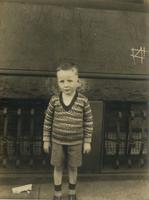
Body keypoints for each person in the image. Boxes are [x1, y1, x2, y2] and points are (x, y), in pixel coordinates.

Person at [43, 63, 93, 200]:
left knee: (73, 167)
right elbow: (47, 121)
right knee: (57, 167)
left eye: (70, 81)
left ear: (78, 82)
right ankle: (57, 193)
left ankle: (72, 192)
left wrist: (87, 141)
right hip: (57, 141)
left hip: (76, 142)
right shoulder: (54, 100)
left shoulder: (83, 101)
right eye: (62, 81)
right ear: (58, 83)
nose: (66, 85)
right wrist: (46, 140)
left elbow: (88, 122)